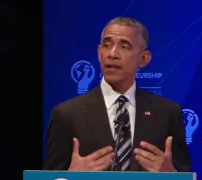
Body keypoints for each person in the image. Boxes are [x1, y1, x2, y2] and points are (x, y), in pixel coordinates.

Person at [44, 17, 191, 172]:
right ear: (99, 53)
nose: (112, 54)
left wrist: (172, 176)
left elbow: (184, 174)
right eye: (107, 46)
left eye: (124, 46)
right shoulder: (67, 115)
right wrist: (70, 177)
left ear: (144, 58)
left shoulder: (167, 114)